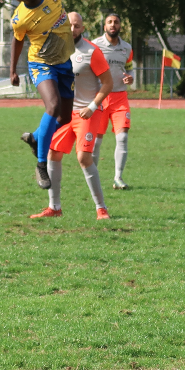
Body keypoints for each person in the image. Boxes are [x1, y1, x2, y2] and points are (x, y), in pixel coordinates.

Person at [31, 12, 113, 220]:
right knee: (53, 154)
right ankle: (54, 208)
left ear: (82, 29)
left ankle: (101, 208)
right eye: (69, 25)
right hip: (66, 115)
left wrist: (93, 106)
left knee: (83, 158)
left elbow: (108, 83)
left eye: (77, 26)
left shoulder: (91, 52)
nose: (72, 29)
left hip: (88, 112)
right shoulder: (55, 50)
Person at [7, 0, 75, 189]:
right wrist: (13, 71)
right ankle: (41, 165)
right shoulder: (20, 18)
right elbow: (17, 42)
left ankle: (36, 137)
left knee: (65, 118)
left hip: (64, 61)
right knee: (53, 106)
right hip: (41, 63)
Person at [92, 13, 135, 189]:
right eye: (109, 22)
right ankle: (93, 177)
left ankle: (118, 178)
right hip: (100, 97)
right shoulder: (95, 45)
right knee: (96, 141)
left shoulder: (127, 48)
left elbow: (129, 69)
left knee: (123, 137)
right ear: (104, 27)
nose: (113, 25)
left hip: (120, 98)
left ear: (120, 26)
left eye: (116, 22)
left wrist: (130, 79)